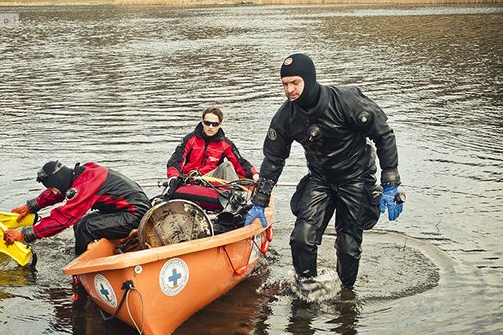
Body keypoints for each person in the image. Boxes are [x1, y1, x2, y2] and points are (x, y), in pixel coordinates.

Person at [245, 53, 404, 289]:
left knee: (349, 246)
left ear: (309, 80)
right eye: (285, 84)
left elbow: (383, 134)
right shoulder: (286, 117)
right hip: (320, 178)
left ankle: (346, 294)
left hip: (356, 179)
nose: (289, 90)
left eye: (295, 82)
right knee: (302, 237)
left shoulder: (346, 102)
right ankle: (307, 288)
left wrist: (390, 182)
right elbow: (273, 159)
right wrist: (260, 199)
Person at [4, 160, 151, 255]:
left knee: (86, 226)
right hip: (123, 210)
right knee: (80, 225)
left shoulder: (85, 185)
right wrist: (31, 207)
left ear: (59, 181)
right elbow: (58, 192)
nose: (53, 192)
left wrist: (25, 234)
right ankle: (90, 252)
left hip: (136, 215)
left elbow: (63, 219)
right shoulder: (80, 175)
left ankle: (80, 265)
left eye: (53, 188)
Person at [166, 107, 260, 185]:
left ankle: (236, 196)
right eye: (207, 123)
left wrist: (255, 175)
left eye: (214, 124)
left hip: (211, 180)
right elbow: (176, 160)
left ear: (220, 125)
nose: (210, 127)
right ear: (202, 122)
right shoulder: (189, 139)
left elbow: (240, 163)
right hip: (189, 179)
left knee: (227, 165)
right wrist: (173, 177)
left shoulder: (226, 144)